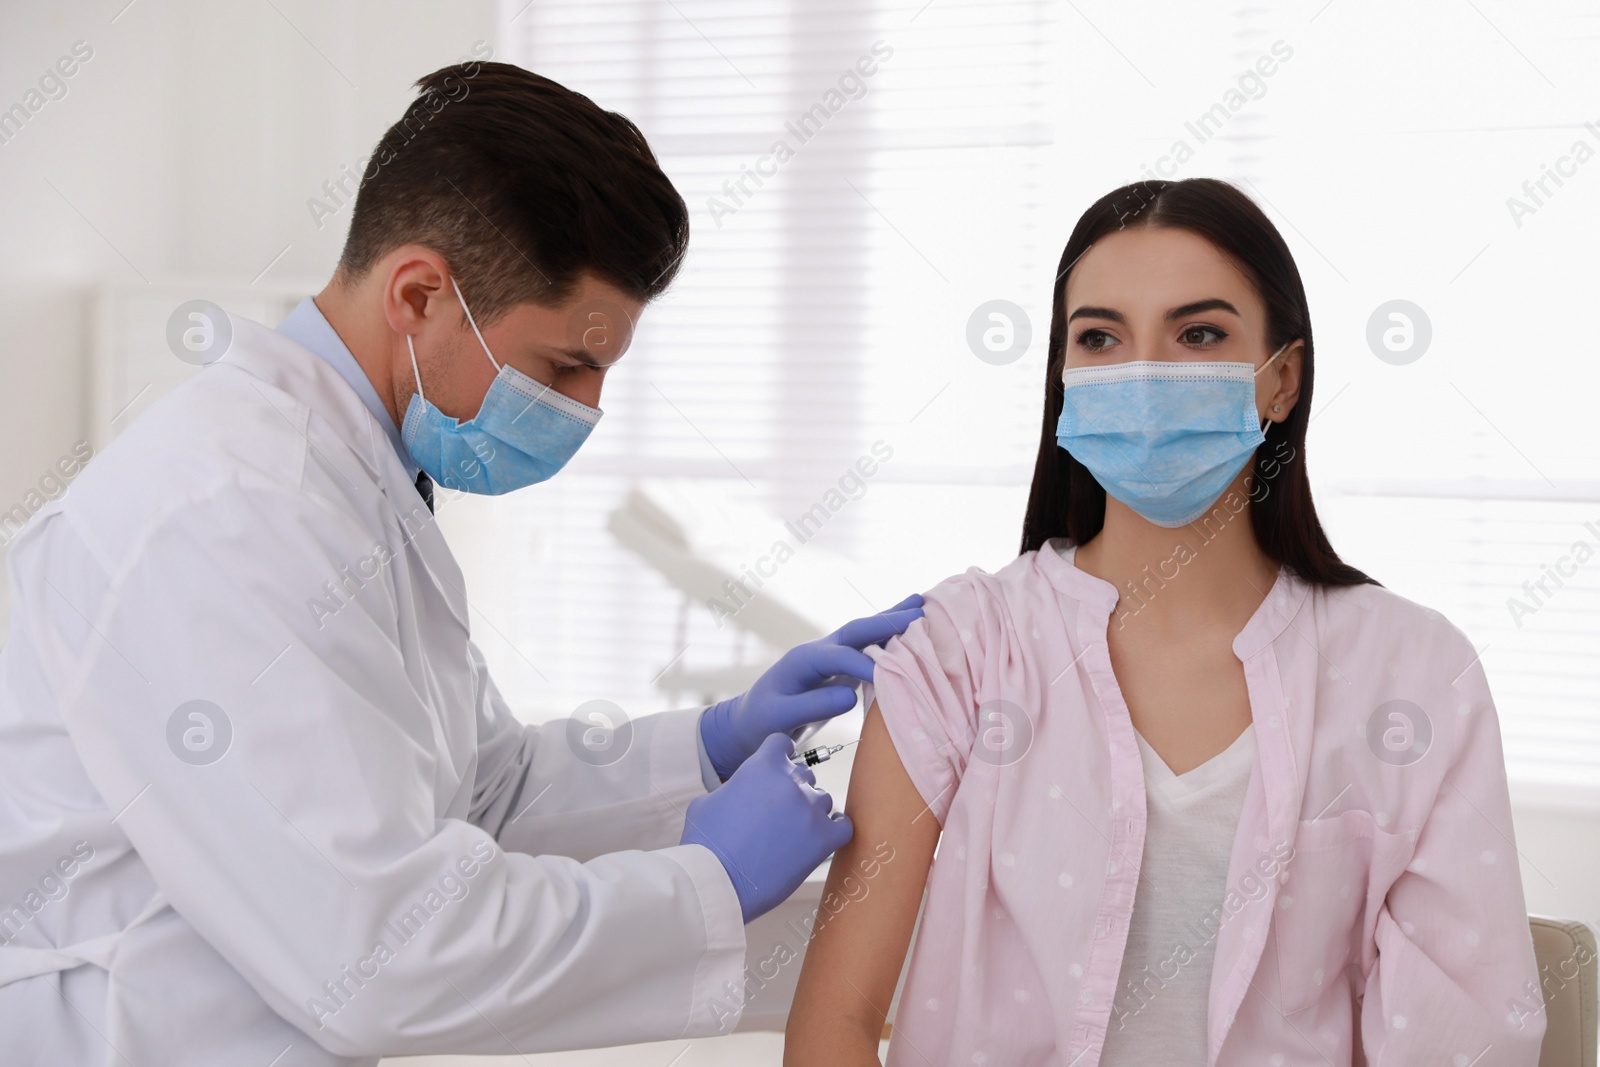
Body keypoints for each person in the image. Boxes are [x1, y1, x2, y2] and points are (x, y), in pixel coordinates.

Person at [0, 62, 922, 1065]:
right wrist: (706, 878)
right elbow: (386, 956)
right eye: (564, 366)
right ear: (420, 293)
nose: (586, 410)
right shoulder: (229, 508)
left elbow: (482, 790)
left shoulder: (354, 482)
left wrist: (710, 740)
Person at [785, 177, 1547, 1066]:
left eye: (1198, 334)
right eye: (1101, 338)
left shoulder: (1414, 673)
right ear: (1065, 380)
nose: (1142, 374)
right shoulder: (961, 653)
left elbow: (1467, 1041)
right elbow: (833, 1027)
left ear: (1283, 378)